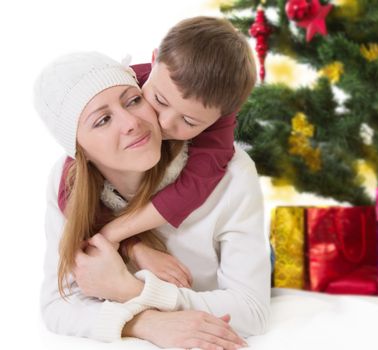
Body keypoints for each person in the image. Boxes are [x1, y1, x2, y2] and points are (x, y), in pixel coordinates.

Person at [35, 51, 270, 349]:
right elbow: (58, 304)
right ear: (80, 150)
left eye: (133, 100)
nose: (131, 122)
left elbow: (252, 311)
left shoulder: (232, 173)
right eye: (103, 120)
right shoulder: (68, 182)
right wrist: (146, 324)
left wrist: (131, 290)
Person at [56, 17, 258, 289]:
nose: (164, 123)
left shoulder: (227, 152)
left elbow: (191, 189)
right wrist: (135, 247)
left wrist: (115, 232)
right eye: (159, 100)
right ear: (153, 60)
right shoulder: (121, 85)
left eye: (188, 122)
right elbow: (73, 189)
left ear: (221, 119)